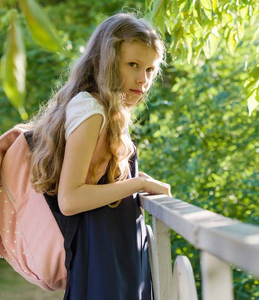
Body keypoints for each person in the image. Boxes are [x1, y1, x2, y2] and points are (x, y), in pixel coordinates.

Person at [23, 12, 171, 300]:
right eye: (133, 65)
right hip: (103, 260)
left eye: (151, 70)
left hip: (116, 253)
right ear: (105, 62)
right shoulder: (91, 108)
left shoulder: (107, 109)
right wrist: (137, 186)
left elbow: (98, 180)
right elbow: (71, 199)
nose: (143, 79)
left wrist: (134, 178)